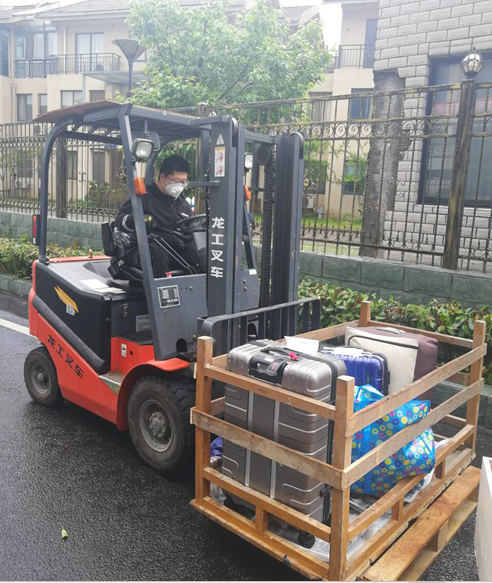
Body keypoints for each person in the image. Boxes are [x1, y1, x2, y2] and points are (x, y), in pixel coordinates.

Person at [116, 155, 193, 277]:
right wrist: (135, 220)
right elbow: (120, 220)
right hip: (144, 250)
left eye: (183, 182)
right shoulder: (144, 197)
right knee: (159, 253)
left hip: (175, 252)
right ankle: (163, 288)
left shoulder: (182, 204)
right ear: (162, 177)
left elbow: (191, 227)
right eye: (176, 181)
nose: (180, 186)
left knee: (198, 252)